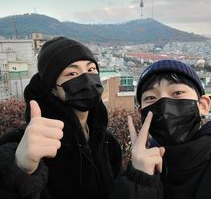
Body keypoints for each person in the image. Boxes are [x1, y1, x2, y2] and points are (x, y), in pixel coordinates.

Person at [0, 36, 122, 199]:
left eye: (91, 69)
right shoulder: (28, 144)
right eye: (72, 73)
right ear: (53, 89)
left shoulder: (108, 143)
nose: (86, 78)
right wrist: (19, 170)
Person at [112, 59, 211, 199]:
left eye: (177, 93)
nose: (164, 107)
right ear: (141, 114)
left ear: (203, 105)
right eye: (151, 97)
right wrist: (139, 181)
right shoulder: (130, 178)